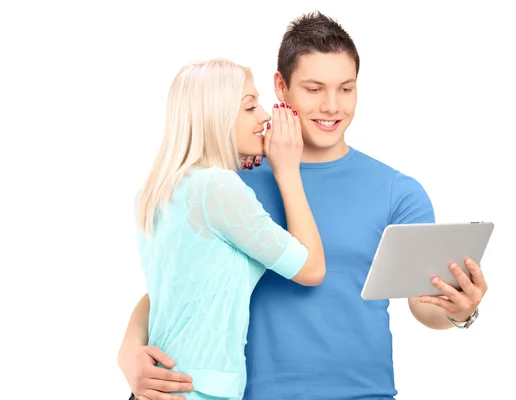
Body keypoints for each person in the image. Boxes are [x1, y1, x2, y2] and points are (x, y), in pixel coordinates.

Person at [118, 11, 489, 400]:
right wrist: (129, 353)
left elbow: (425, 303)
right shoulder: (229, 183)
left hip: (363, 394)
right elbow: (179, 282)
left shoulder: (399, 192)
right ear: (281, 87)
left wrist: (461, 311)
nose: (332, 106)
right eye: (314, 89)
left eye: (346, 89)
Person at [131, 58, 327, 400]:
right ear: (216, 118)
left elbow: (168, 291)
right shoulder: (216, 188)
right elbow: (311, 269)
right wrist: (288, 170)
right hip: (198, 391)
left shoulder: (156, 191)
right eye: (250, 107)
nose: (265, 116)